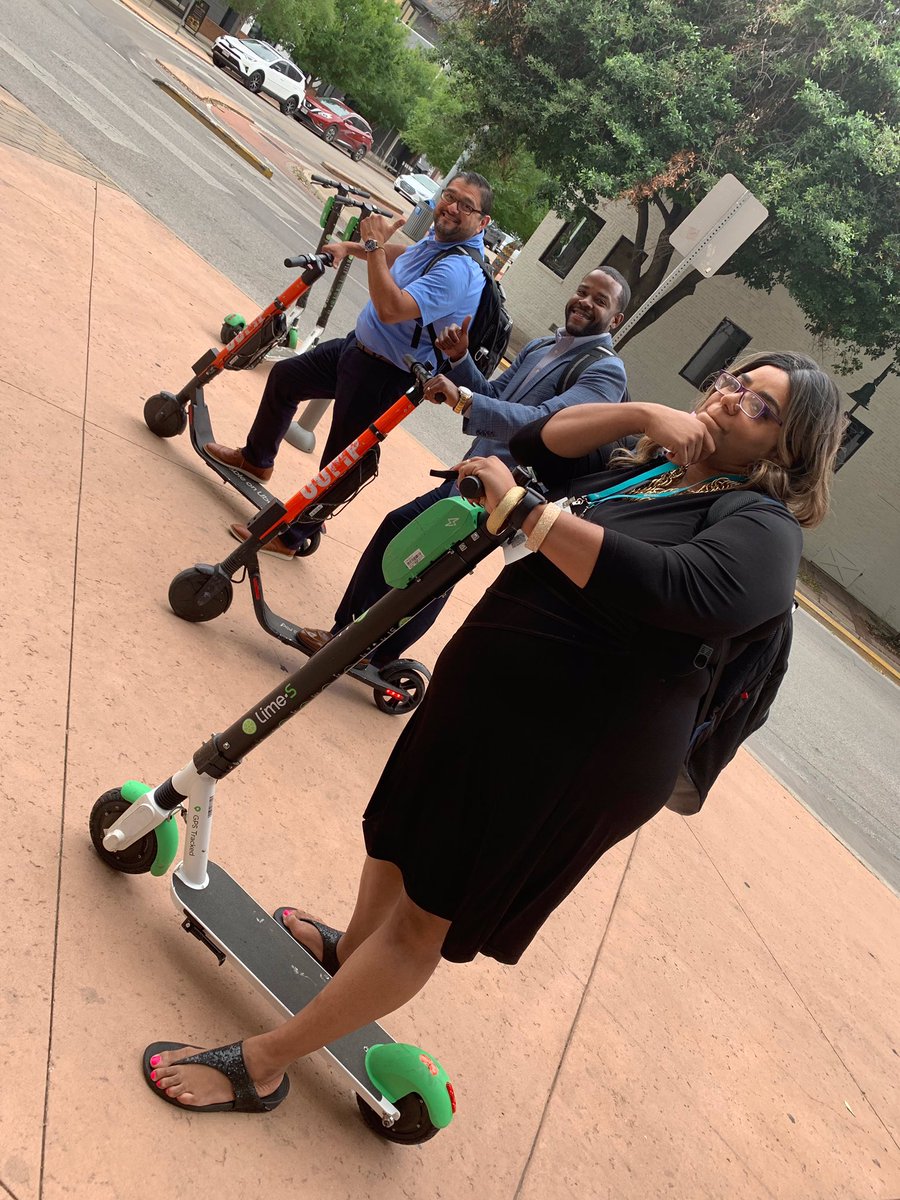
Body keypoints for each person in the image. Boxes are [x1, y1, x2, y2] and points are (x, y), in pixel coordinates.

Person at [144, 351, 844, 1113]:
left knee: (427, 913)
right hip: (492, 701)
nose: (732, 399)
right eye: (736, 381)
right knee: (396, 835)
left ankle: (264, 1061)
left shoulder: (762, 524)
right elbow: (548, 444)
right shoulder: (661, 470)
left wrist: (527, 517)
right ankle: (350, 950)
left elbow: (686, 591)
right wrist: (644, 417)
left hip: (571, 751)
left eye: (761, 407)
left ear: (787, 450)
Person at [289, 266, 630, 664]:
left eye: (600, 301)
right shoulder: (541, 346)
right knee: (413, 545)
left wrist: (465, 400)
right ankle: (358, 640)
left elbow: (544, 424)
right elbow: (494, 393)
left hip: (506, 493)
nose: (585, 302)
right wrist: (460, 359)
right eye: (583, 291)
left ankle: (358, 645)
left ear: (616, 319)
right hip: (472, 474)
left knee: (435, 569)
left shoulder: (605, 371)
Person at [207, 172, 494, 556]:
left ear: (482, 222)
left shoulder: (459, 270)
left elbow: (391, 308)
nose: (453, 207)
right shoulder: (440, 242)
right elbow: (401, 257)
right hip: (357, 350)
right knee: (286, 377)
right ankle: (257, 460)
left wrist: (373, 245)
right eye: (450, 196)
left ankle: (294, 536)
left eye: (466, 205)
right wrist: (351, 247)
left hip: (385, 374)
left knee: (339, 461)